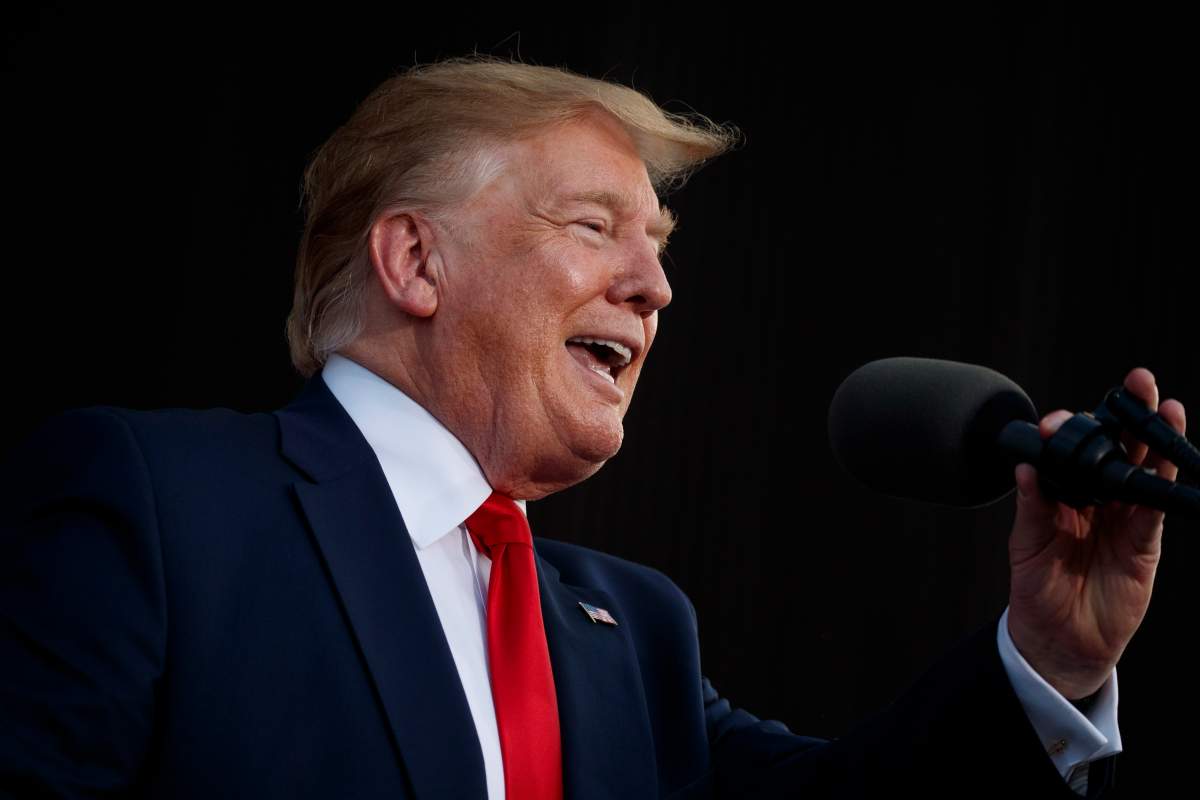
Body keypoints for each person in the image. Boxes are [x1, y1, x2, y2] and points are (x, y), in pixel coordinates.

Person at [0, 56, 1183, 799]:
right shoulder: (158, 504)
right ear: (416, 258)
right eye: (592, 225)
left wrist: (1055, 656)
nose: (654, 290)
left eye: (659, 251)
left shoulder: (632, 628)